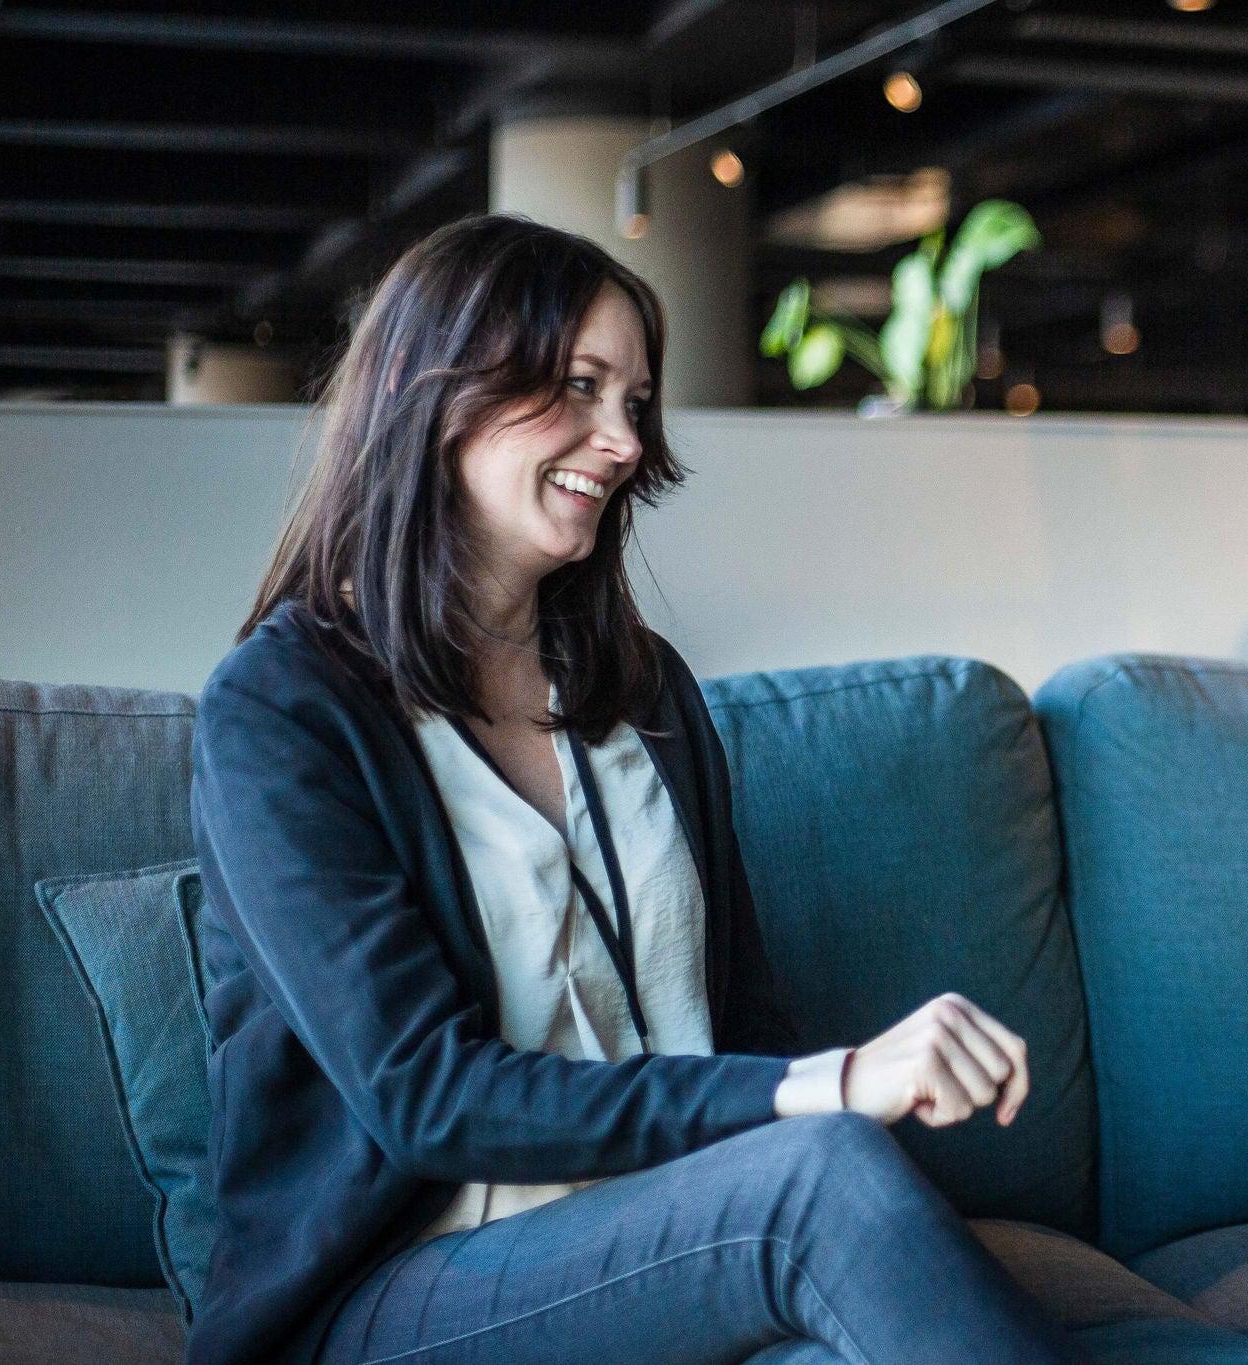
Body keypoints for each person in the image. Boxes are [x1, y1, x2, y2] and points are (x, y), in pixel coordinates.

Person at [187, 215, 1082, 1365]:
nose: (617, 441)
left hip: (679, 1248)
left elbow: (742, 1021)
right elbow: (425, 1098)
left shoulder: (641, 685)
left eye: (635, 401)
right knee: (820, 1168)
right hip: (397, 1292)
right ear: (435, 390)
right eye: (576, 386)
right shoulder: (283, 710)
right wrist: (841, 1083)